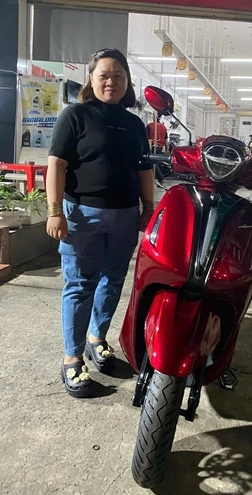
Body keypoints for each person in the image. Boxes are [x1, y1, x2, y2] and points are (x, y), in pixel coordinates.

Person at [46, 48, 154, 398]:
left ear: (127, 82)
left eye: (119, 76)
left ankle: (97, 338)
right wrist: (54, 211)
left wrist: (148, 206)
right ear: (90, 79)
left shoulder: (134, 124)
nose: (111, 82)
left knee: (113, 279)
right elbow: (56, 165)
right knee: (80, 285)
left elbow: (144, 168)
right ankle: (72, 358)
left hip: (125, 215)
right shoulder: (75, 116)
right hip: (82, 215)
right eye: (104, 75)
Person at [146, 113, 168, 184]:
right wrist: (167, 150)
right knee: (155, 164)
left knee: (152, 163)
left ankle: (161, 179)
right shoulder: (164, 127)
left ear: (153, 116)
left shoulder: (150, 125)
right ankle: (155, 180)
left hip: (151, 147)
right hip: (160, 148)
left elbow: (146, 138)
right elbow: (166, 140)